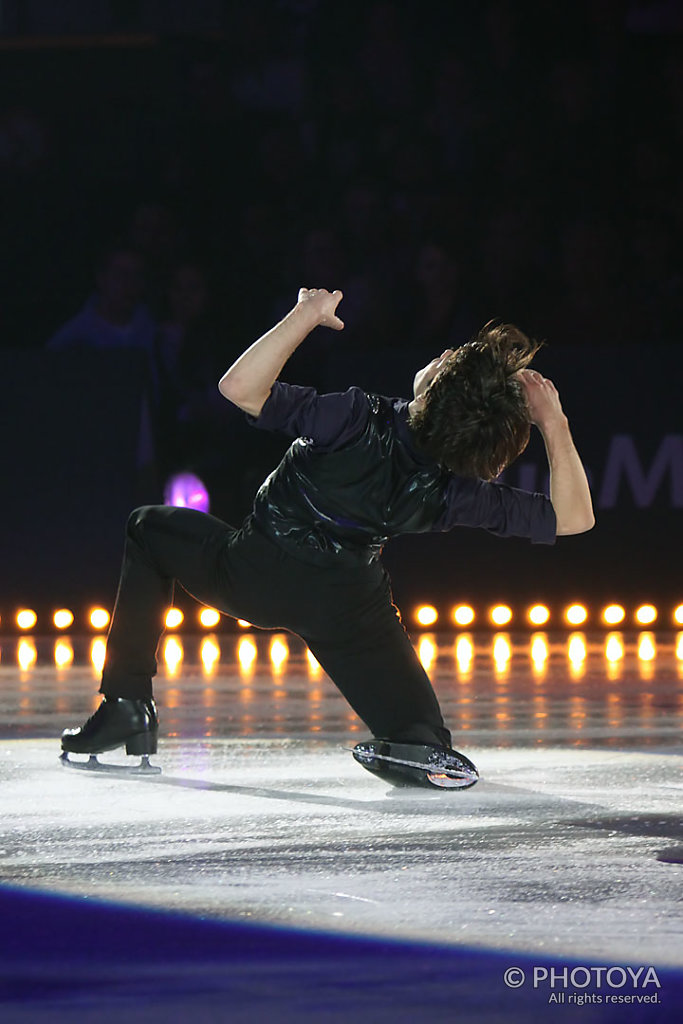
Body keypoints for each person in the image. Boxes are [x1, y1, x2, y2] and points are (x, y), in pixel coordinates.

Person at [61, 288, 594, 787]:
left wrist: (305, 316)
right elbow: (574, 519)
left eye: (445, 357)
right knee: (424, 739)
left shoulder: (356, 417)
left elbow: (238, 389)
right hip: (348, 611)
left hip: (254, 574)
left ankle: (126, 705)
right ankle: (415, 743)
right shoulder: (453, 491)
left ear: (437, 384)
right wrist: (556, 424)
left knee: (147, 527)